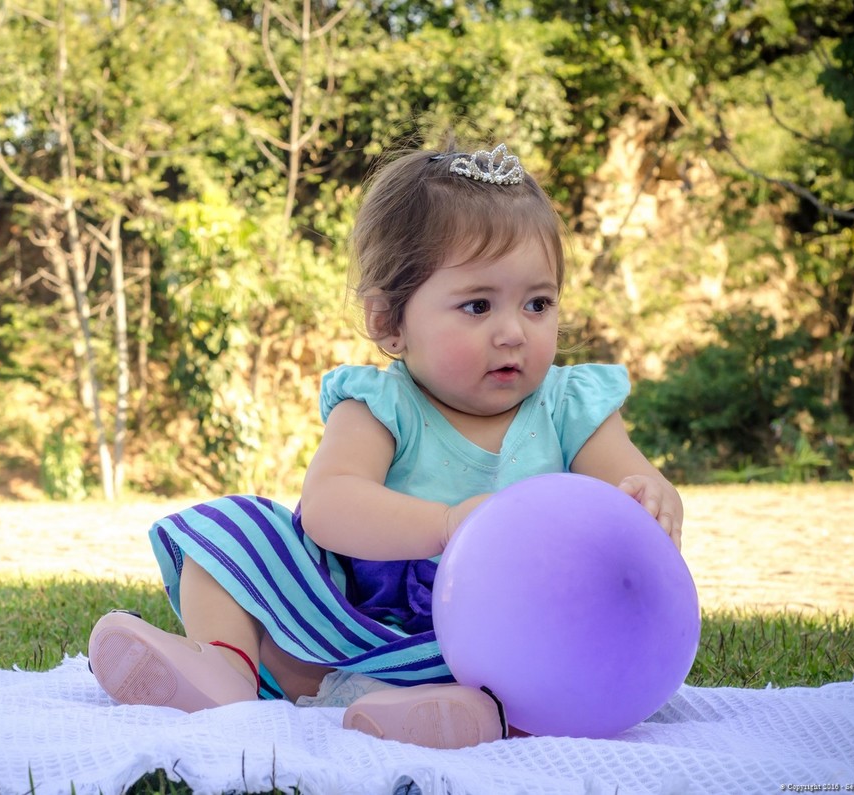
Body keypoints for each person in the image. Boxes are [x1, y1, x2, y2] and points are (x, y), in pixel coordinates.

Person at [87, 142, 684, 749]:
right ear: (388, 322)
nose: (513, 332)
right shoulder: (382, 405)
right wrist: (445, 524)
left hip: (503, 635)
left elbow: (632, 489)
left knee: (551, 636)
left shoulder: (570, 407)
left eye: (538, 303)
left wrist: (654, 501)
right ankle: (224, 666)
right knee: (232, 527)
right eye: (478, 305)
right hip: (358, 625)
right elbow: (328, 506)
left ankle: (473, 714)